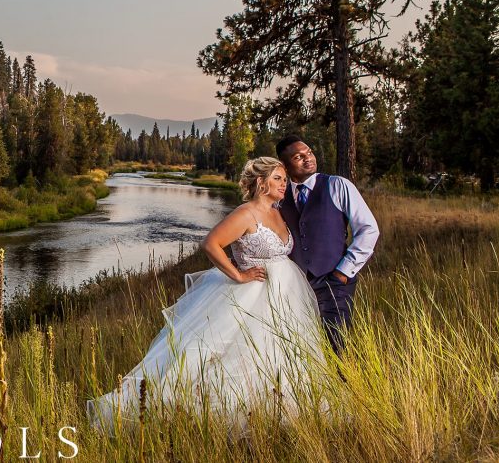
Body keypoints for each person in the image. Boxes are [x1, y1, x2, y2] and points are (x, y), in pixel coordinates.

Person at [87, 157, 325, 428]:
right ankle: (203, 410)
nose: (284, 184)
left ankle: (280, 408)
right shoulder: (246, 213)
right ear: (261, 183)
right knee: (227, 352)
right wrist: (238, 274)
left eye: (284, 178)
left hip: (285, 294)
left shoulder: (278, 211)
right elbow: (211, 243)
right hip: (251, 293)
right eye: (278, 179)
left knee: (281, 351)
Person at [276, 135, 379, 354]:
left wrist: (343, 271)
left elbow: (368, 229)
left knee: (336, 344)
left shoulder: (338, 185)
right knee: (297, 346)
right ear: (285, 166)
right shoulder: (279, 195)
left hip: (334, 280)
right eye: (298, 157)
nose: (308, 159)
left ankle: (341, 387)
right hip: (294, 284)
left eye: (310, 153)